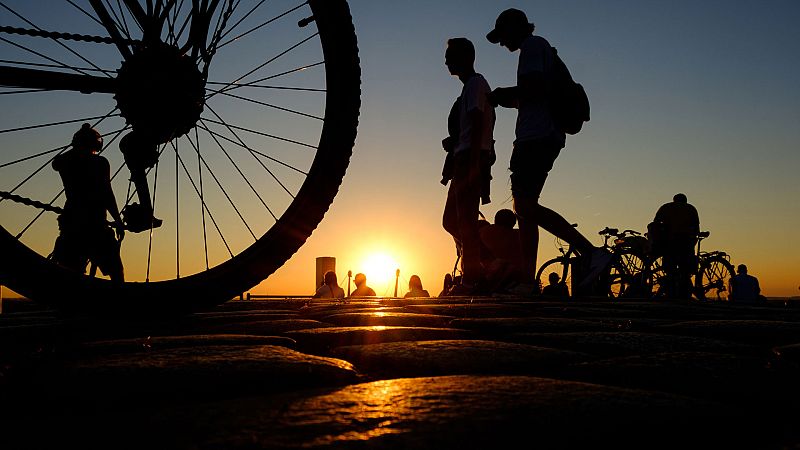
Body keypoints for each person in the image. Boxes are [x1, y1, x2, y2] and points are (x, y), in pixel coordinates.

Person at [485, 9, 611, 293]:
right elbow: (537, 94)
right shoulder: (540, 49)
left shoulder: (532, 46)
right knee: (524, 210)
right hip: (541, 135)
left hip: (537, 137)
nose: (502, 43)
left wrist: (505, 93)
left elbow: (533, 89)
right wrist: (510, 99)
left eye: (502, 35)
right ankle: (528, 280)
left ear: (515, 28)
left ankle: (591, 252)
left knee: (525, 206)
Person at [441, 37, 496, 296]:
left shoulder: (475, 84)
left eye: (450, 56)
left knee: (465, 221)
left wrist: (474, 163)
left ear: (464, 57)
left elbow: (477, 122)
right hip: (464, 157)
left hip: (470, 159)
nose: (446, 62)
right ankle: (490, 264)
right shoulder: (470, 88)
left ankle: (473, 278)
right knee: (452, 220)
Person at [51, 123, 125, 282]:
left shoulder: (65, 162)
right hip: (96, 223)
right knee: (116, 271)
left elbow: (55, 163)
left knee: (70, 272)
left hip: (71, 222)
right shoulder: (100, 163)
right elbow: (107, 194)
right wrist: (118, 220)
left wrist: (75, 144)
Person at [652, 193, 700, 298]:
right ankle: (684, 293)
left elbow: (655, 222)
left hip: (669, 241)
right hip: (686, 242)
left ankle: (671, 291)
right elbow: (696, 227)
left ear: (674, 200)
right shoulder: (691, 208)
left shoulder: (666, 207)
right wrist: (694, 238)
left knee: (670, 267)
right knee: (685, 269)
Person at [479, 209, 527, 292]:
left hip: (496, 275)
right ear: (513, 222)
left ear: (495, 220)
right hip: (519, 275)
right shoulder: (521, 235)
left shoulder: (487, 231)